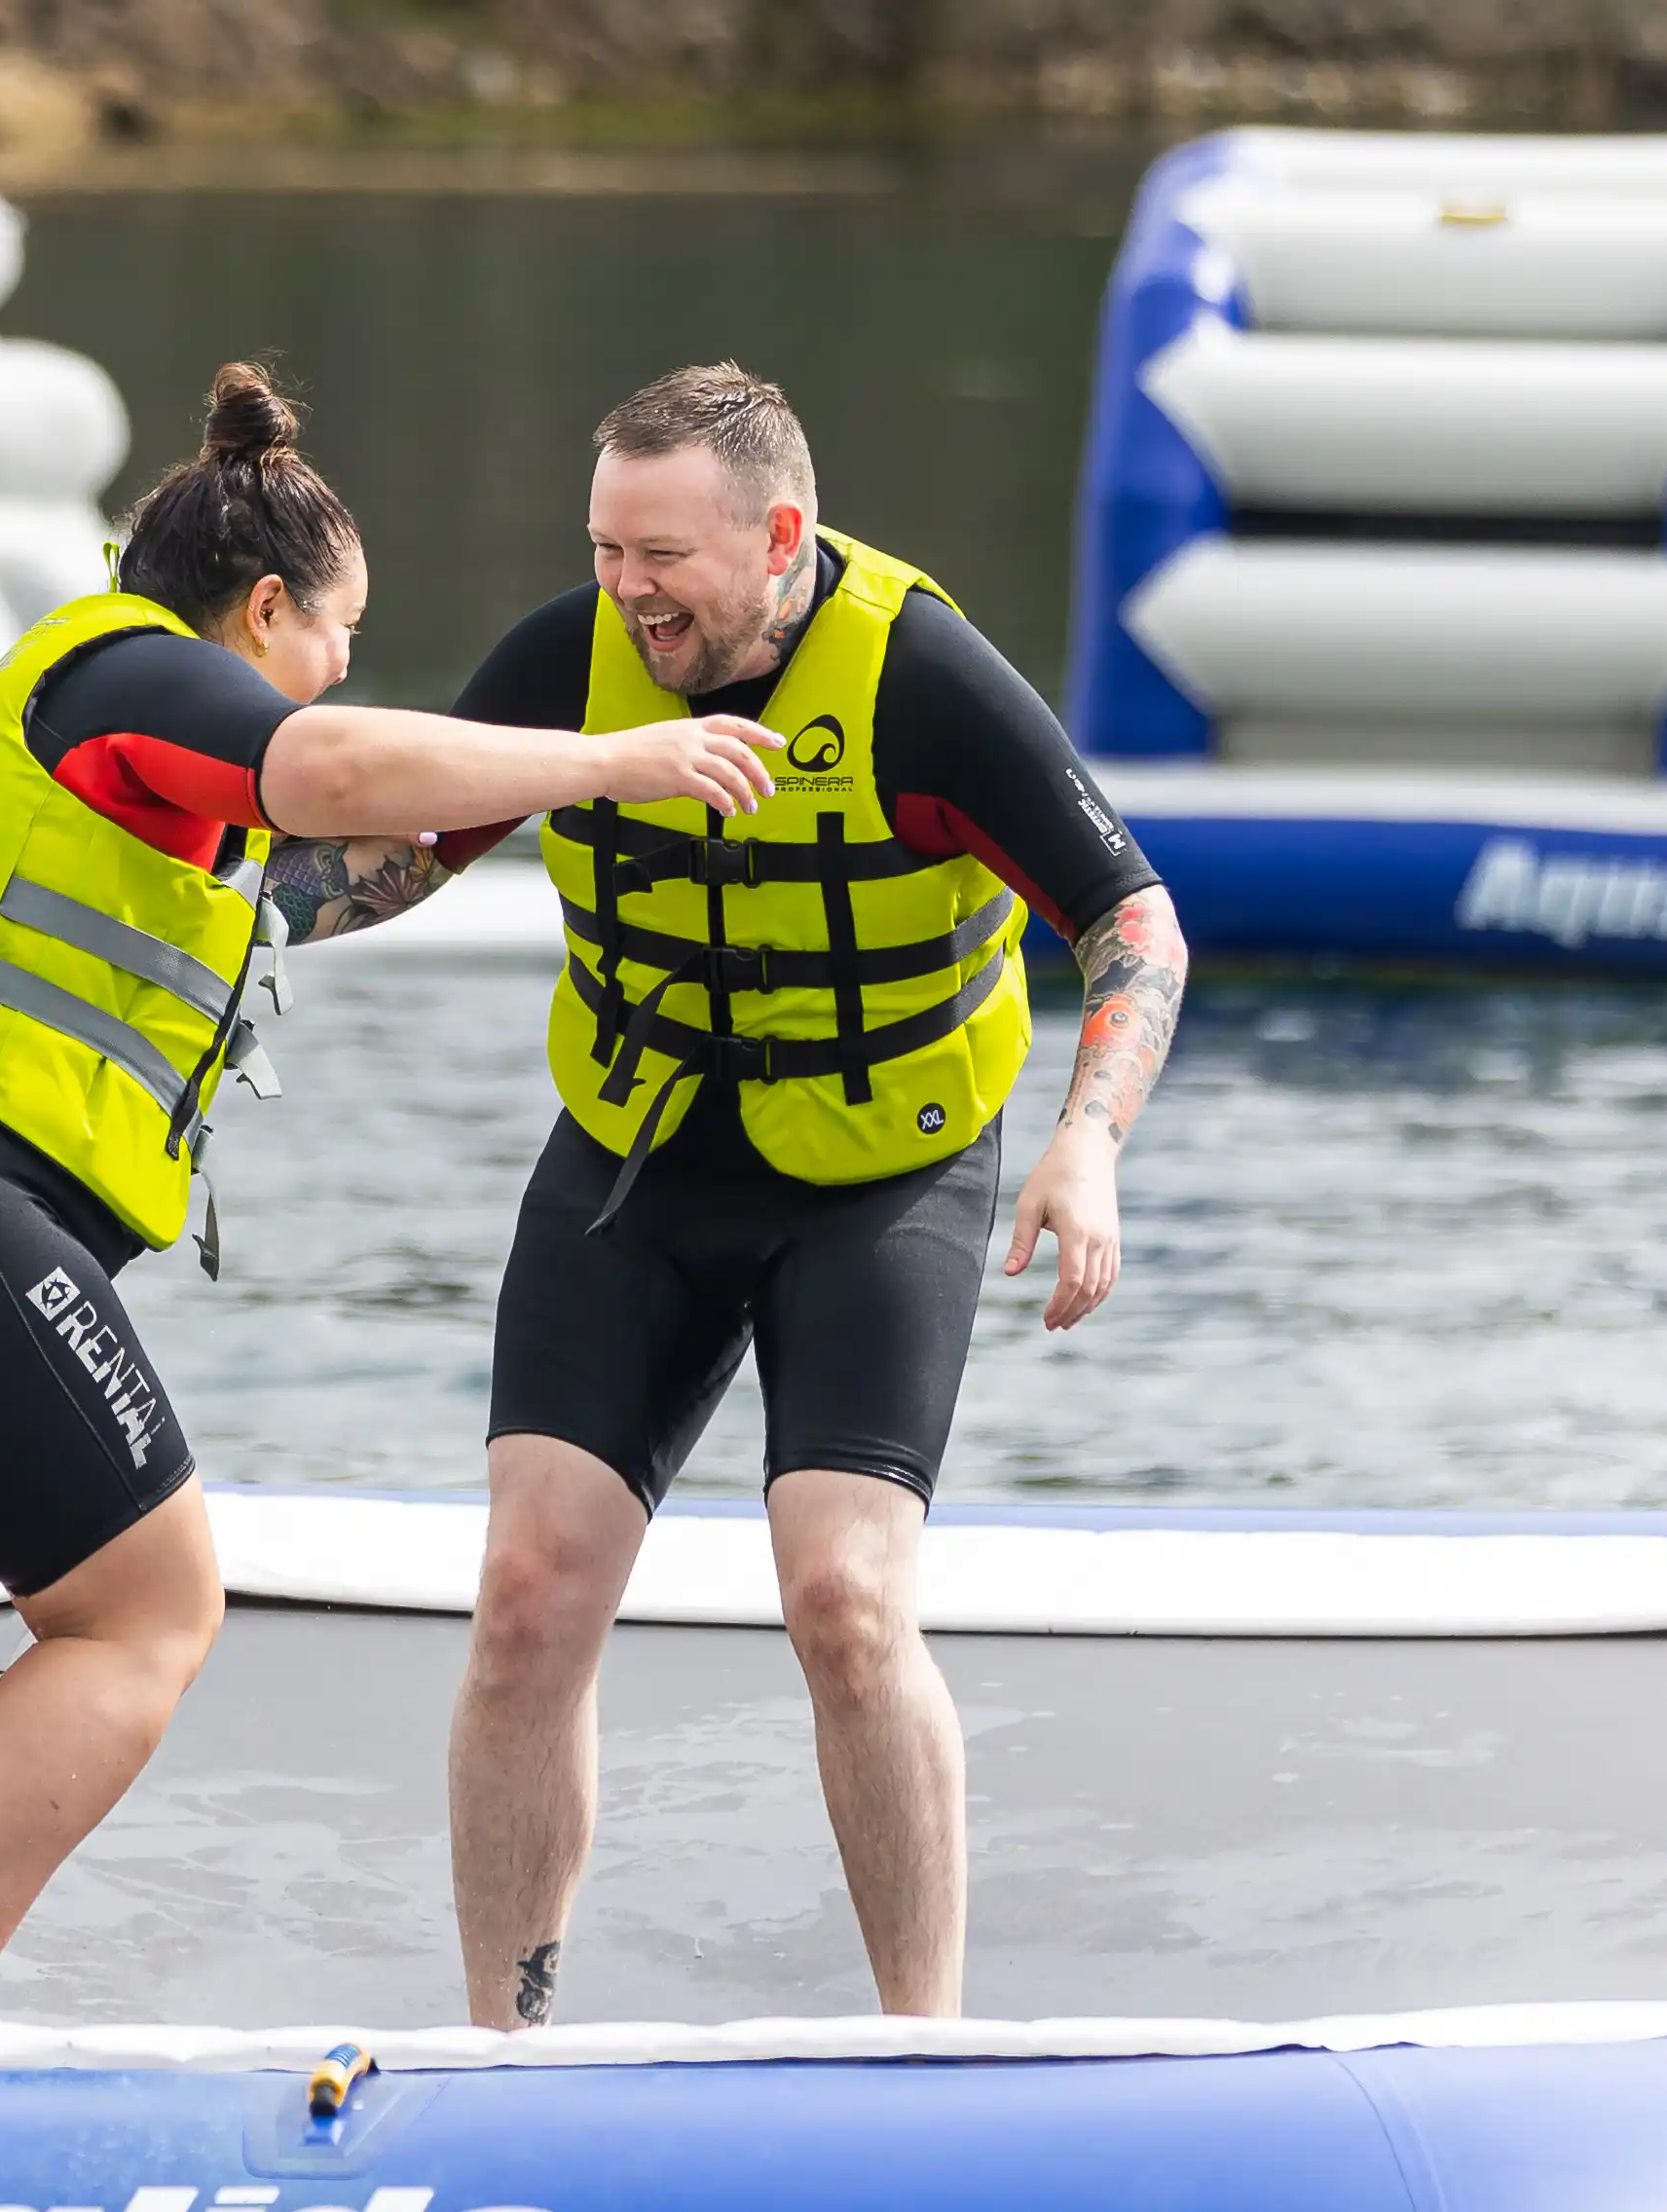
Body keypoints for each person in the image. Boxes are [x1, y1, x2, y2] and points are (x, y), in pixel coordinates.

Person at [0, 362, 785, 2024]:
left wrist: (526, 781)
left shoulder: (134, 783)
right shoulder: (123, 667)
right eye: (339, 635)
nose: (343, 671)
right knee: (150, 1613)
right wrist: (617, 759)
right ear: (264, 611)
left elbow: (347, 860)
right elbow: (325, 768)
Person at [443, 363, 1189, 2026]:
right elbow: (374, 852)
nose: (627, 591)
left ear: (779, 538)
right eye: (605, 549)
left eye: (663, 558)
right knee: (526, 1599)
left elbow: (1134, 920)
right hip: (636, 1156)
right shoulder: (571, 664)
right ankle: (502, 2047)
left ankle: (923, 2047)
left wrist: (1088, 1140)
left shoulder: (923, 681)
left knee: (844, 1601)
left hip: (882, 1172)